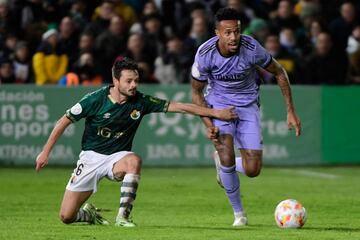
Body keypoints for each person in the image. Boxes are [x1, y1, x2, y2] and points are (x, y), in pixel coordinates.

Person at [35, 57, 237, 227]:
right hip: (90, 158)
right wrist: (45, 152)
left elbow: (181, 107)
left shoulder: (141, 102)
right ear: (116, 81)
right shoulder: (95, 99)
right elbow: (64, 121)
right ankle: (89, 215)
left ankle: (122, 217)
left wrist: (216, 113)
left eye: (136, 80)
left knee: (134, 161)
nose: (134, 85)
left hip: (118, 157)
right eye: (129, 81)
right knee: (66, 216)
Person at [191, 8, 301, 227]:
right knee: (226, 154)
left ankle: (222, 165)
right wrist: (208, 122)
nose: (233, 37)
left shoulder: (252, 48)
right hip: (219, 105)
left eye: (237, 31)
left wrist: (290, 111)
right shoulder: (205, 54)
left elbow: (279, 72)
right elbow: (196, 92)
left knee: (252, 170)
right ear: (217, 33)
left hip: (248, 105)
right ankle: (239, 214)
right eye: (228, 32)